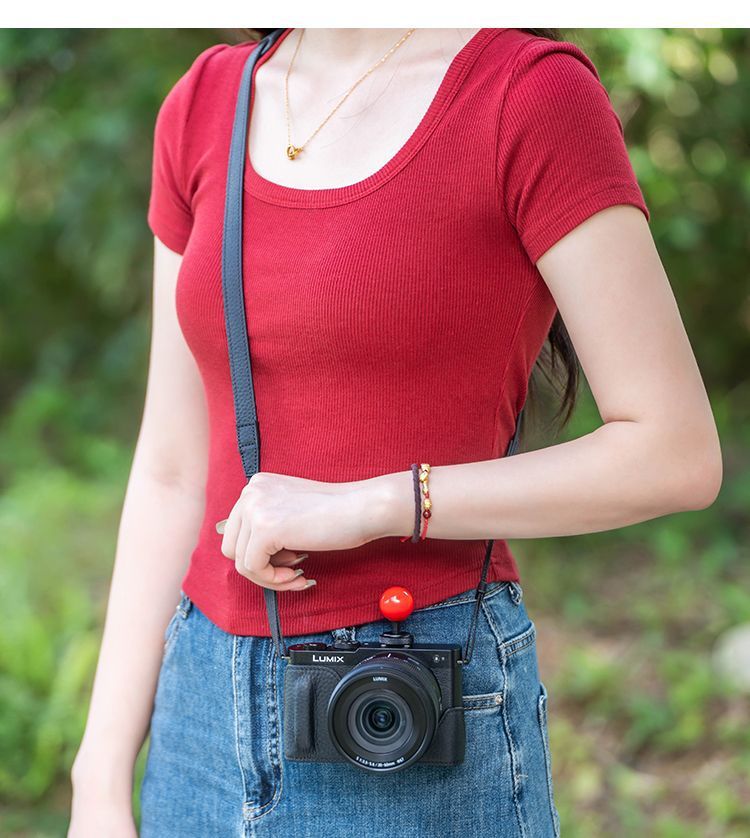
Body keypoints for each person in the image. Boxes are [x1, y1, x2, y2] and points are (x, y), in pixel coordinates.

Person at [68, 27, 722, 838]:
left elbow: (674, 451)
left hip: (407, 692)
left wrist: (377, 503)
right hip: (197, 711)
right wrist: (99, 775)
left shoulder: (530, 95)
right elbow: (172, 469)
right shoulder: (207, 101)